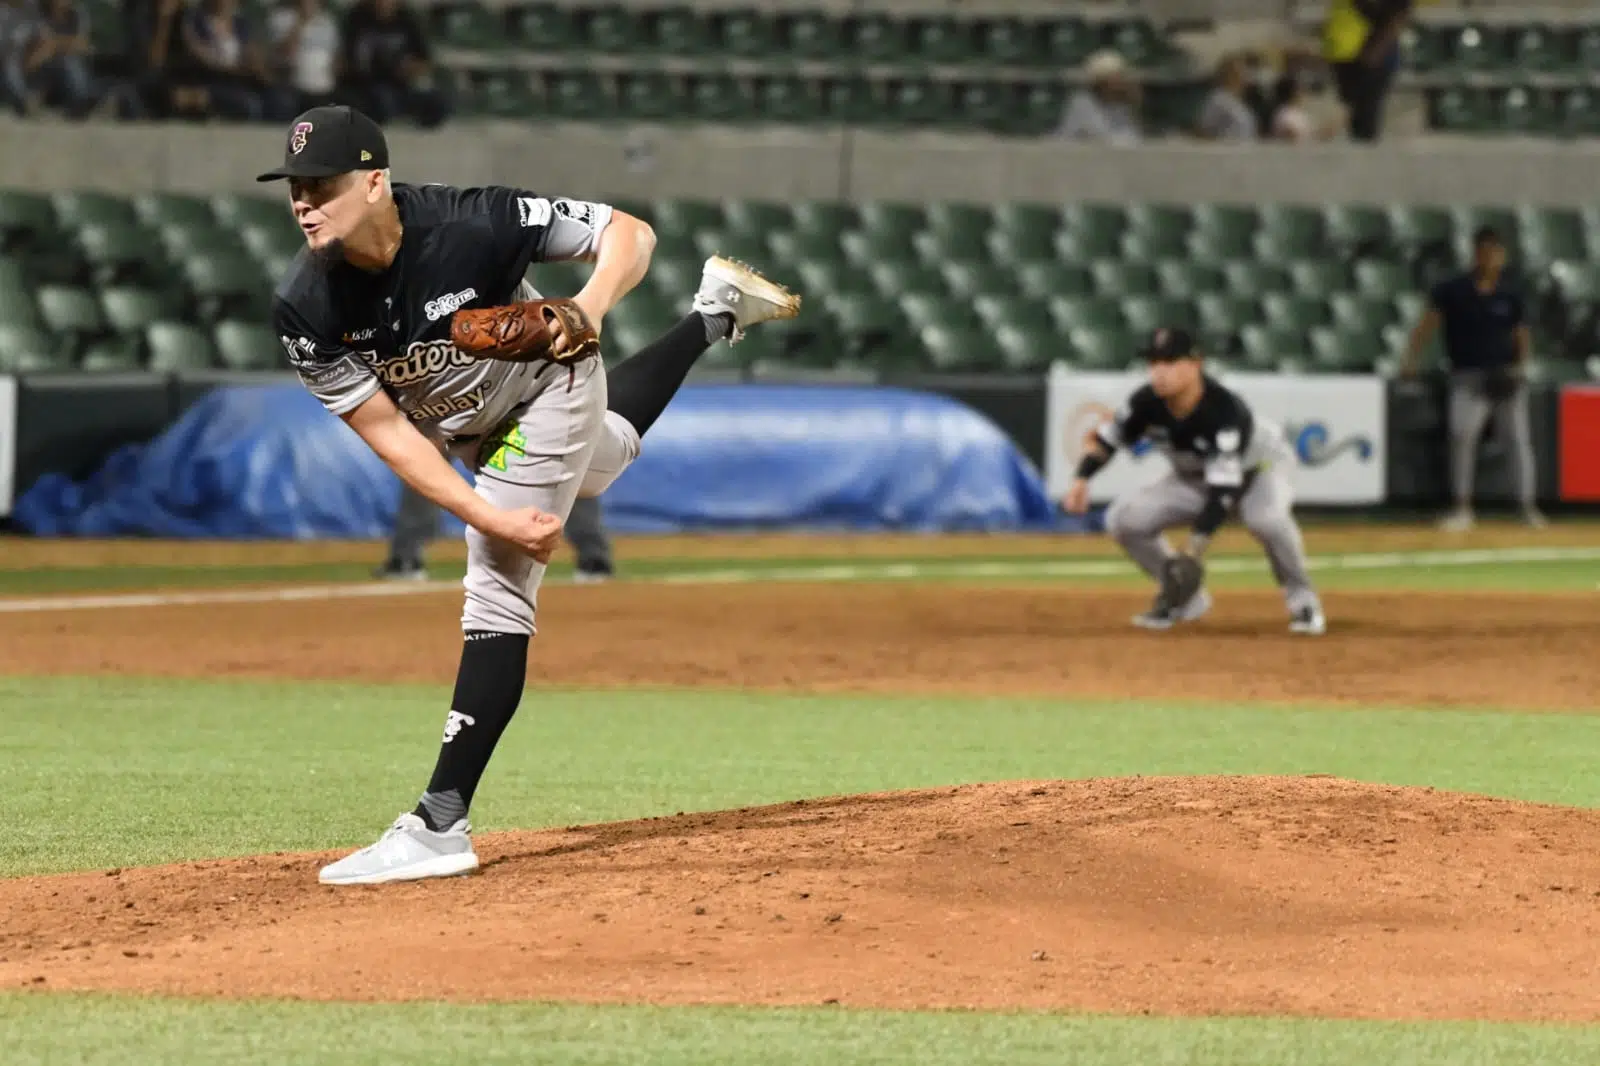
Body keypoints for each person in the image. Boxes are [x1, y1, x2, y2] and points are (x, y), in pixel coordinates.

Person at [260, 105, 799, 884]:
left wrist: (588, 307)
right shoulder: (306, 305)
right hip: (472, 431)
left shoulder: (473, 222)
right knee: (603, 458)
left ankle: (440, 821)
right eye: (294, 188)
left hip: (552, 381)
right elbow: (391, 436)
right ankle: (712, 313)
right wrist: (482, 507)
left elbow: (631, 234)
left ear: (375, 182)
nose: (304, 202)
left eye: (322, 184)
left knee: (498, 589)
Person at [1061, 327, 1326, 637]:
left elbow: (1224, 491)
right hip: (1195, 478)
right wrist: (1082, 478)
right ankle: (1185, 599)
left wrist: (1193, 549)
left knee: (1266, 520)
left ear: (1195, 364)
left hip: (1261, 470)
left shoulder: (1224, 411)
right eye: (1154, 362)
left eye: (1170, 362)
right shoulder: (1145, 402)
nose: (1159, 372)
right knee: (1122, 520)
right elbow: (1107, 442)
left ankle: (1303, 602)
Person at [1402, 227, 1545, 532]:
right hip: (1467, 376)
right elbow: (1427, 325)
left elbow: (1521, 334)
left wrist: (1521, 367)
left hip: (1504, 377)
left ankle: (1526, 506)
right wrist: (1411, 359)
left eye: (1494, 252)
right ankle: (1462, 507)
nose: (1489, 258)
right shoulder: (1453, 290)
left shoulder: (1511, 292)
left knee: (1517, 440)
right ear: (1474, 253)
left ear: (1502, 256)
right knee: (1461, 437)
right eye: (1483, 251)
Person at [376, 483, 615, 582]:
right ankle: (405, 557)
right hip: (456, 392)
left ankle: (593, 557)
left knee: (565, 458)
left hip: (520, 390)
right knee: (426, 452)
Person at [338, 0, 445, 128]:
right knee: (375, 101)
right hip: (365, 85)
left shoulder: (408, 20)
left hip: (400, 85)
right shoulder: (357, 17)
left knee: (436, 103)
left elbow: (425, 61)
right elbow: (343, 59)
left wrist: (411, 68)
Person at [1321, 0, 1414, 143]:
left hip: (1375, 54)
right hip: (1349, 51)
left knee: (1366, 112)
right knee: (1354, 109)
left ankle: (1363, 144)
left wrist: (1376, 50)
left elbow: (1397, 18)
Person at [1056, 50, 1142, 145]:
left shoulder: (1122, 106)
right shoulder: (1082, 103)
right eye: (1115, 77)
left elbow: (1131, 137)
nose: (1121, 81)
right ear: (1101, 81)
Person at [268, 0, 340, 111]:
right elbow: (285, 53)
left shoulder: (328, 21)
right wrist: (302, 21)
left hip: (324, 87)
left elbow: (335, 56)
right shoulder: (282, 17)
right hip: (294, 86)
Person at [1196, 54, 1259, 142]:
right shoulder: (1218, 99)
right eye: (1241, 72)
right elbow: (1204, 129)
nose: (1245, 76)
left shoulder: (1239, 102)